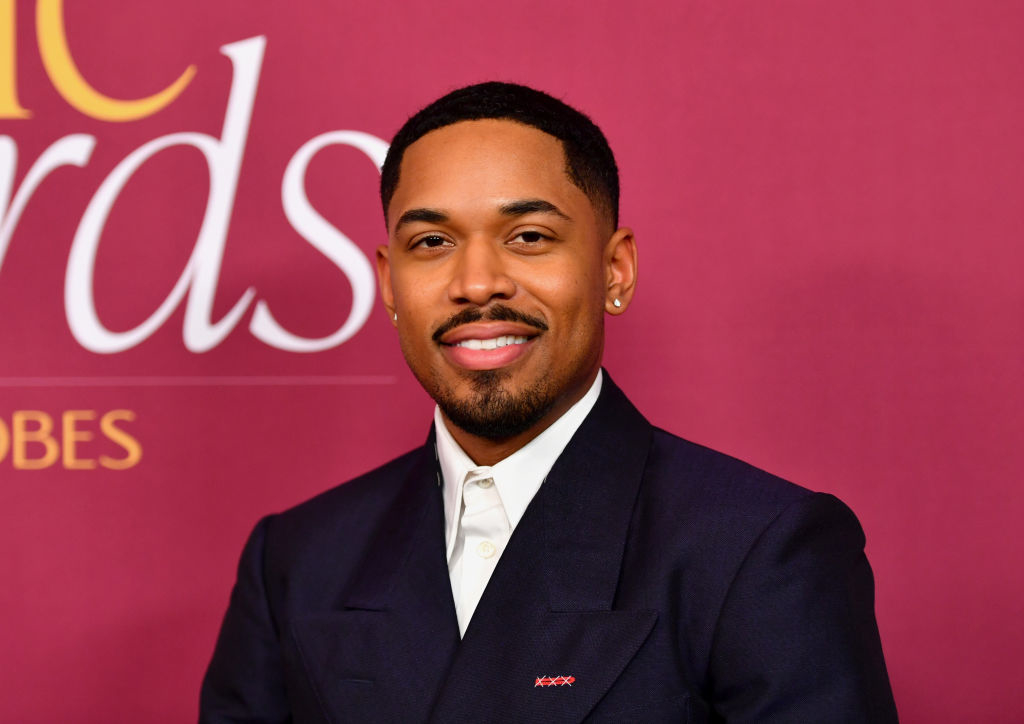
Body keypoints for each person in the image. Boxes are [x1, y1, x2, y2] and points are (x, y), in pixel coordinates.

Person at [200, 82, 898, 723]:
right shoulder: (296, 559)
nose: (476, 284)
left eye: (528, 237)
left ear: (613, 269)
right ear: (388, 284)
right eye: (432, 242)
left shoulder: (758, 548)